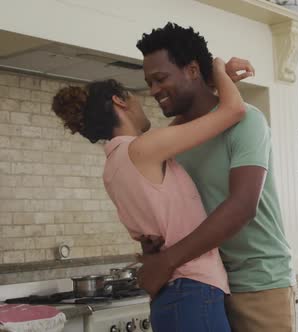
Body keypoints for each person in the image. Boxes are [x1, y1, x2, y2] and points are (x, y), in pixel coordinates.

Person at [51, 58, 246, 332]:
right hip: (193, 290)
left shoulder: (114, 166)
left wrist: (210, 88)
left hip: (170, 298)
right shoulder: (143, 150)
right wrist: (216, 68)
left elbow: (185, 127)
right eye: (137, 95)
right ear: (120, 101)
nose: (147, 100)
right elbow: (234, 110)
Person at [135, 22, 296, 332]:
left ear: (193, 70)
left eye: (160, 79)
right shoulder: (172, 141)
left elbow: (243, 205)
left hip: (258, 283)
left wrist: (167, 261)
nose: (153, 90)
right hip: (203, 285)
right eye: (148, 82)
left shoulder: (246, 121)